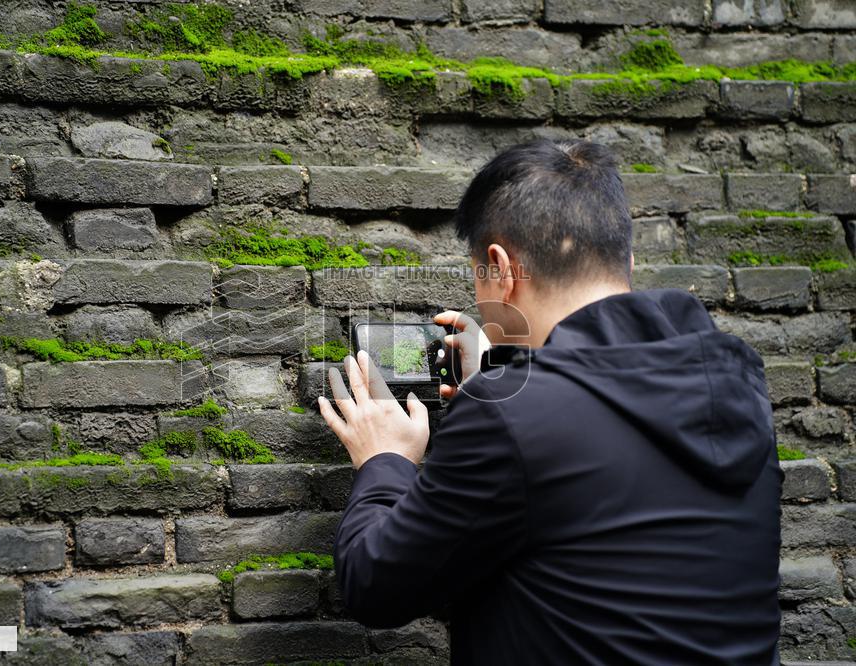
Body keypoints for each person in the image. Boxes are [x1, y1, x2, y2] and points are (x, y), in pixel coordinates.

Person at [316, 139, 782, 665]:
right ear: (625, 259)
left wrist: (385, 461)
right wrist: (510, 373)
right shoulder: (736, 386)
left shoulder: (508, 413)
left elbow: (376, 585)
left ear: (501, 268)